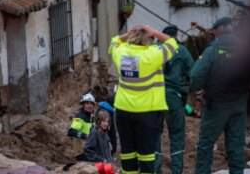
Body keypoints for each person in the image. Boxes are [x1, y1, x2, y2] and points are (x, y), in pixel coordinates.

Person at [109, 25, 179, 173]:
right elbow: (172, 44)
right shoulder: (153, 55)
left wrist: (126, 34)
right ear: (148, 40)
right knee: (146, 154)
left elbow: (114, 42)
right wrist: (154, 31)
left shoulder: (121, 53)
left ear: (131, 39)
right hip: (147, 112)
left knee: (127, 152)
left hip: (123, 110)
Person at [190, 17, 250, 174]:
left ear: (217, 31)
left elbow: (196, 75)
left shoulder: (213, 49)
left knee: (206, 144)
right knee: (236, 146)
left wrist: (198, 91)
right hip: (239, 104)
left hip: (216, 105)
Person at [154, 25, 194, 174]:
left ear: (162, 35)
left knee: (154, 134)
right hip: (175, 98)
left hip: (155, 97)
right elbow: (193, 74)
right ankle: (177, 171)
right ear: (176, 35)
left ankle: (155, 169)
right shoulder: (183, 51)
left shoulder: (155, 49)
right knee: (177, 135)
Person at [67, 92, 96, 157]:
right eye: (87, 103)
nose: (89, 105)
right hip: (82, 153)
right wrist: (85, 136)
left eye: (91, 103)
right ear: (83, 105)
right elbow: (71, 131)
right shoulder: (79, 117)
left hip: (91, 151)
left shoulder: (92, 118)